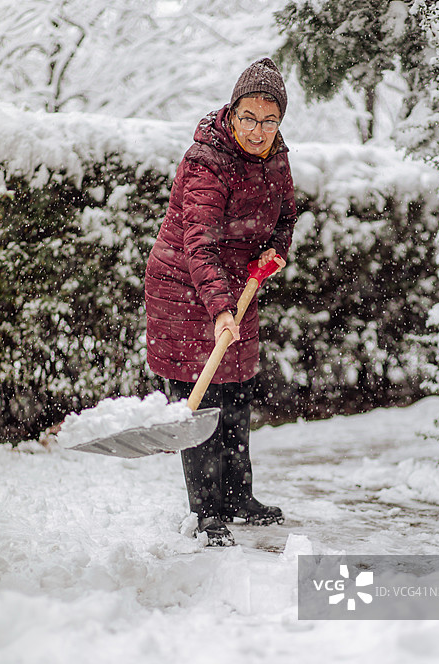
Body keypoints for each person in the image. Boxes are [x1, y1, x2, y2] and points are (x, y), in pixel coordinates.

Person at [145, 57, 297, 546]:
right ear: (232, 113)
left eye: (269, 120)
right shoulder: (206, 161)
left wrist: (274, 253)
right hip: (185, 287)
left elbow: (286, 218)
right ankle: (207, 512)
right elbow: (200, 244)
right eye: (248, 117)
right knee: (203, 400)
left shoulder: (277, 157)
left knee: (236, 393)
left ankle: (237, 498)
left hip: (238, 286)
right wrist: (219, 308)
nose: (258, 130)